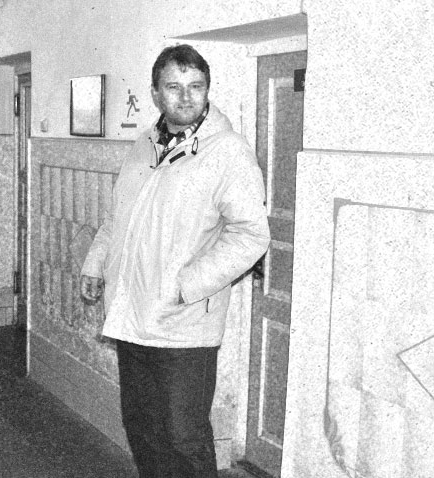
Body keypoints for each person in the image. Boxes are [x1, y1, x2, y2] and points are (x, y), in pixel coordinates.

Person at [80, 45, 270, 477]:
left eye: (195, 86)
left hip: (183, 326)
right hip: (132, 315)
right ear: (155, 93)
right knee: (143, 428)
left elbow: (252, 234)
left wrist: (186, 286)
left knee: (184, 438)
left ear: (207, 90)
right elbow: (117, 217)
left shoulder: (228, 151)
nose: (186, 97)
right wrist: (96, 262)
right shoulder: (143, 146)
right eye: (174, 87)